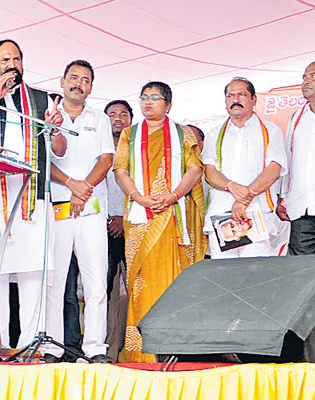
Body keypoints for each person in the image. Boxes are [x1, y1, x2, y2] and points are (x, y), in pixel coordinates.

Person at [0, 39, 66, 349]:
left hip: (33, 197)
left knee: (34, 272)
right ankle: (0, 344)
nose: (12, 64)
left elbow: (59, 150)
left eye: (17, 58)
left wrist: (55, 129)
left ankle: (32, 344)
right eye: (5, 59)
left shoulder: (42, 99)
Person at [114, 81, 206, 363]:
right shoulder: (129, 134)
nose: (148, 102)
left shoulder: (184, 134)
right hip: (140, 216)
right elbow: (121, 169)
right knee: (141, 280)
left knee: (174, 279)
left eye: (155, 98)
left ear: (168, 104)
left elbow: (195, 168)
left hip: (174, 214)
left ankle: (176, 347)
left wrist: (175, 194)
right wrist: (138, 197)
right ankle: (140, 352)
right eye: (144, 97)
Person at [46, 60, 114, 363]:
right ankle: (52, 346)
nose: (78, 84)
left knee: (96, 281)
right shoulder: (48, 118)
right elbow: (44, 162)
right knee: (55, 281)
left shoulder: (99, 119)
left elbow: (106, 159)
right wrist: (72, 184)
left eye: (85, 80)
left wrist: (84, 187)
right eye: (73, 78)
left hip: (92, 207)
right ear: (62, 81)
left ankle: (96, 348)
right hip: (58, 207)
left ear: (91, 87)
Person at [203, 77, 287, 259]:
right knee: (223, 276)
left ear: (254, 99)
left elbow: (273, 170)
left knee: (257, 275)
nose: (236, 100)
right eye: (230, 96)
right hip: (222, 216)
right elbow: (210, 172)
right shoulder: (213, 134)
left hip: (258, 214)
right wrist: (232, 187)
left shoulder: (271, 130)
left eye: (242, 94)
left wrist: (242, 201)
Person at [104, 99, 133, 360]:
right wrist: (108, 219)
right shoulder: (98, 150)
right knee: (104, 293)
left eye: (124, 114)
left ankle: (136, 349)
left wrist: (123, 218)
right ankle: (107, 350)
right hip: (101, 229)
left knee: (136, 289)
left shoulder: (139, 151)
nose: (118, 118)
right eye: (112, 114)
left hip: (133, 226)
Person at [277, 62, 315, 255]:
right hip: (302, 210)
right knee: (302, 274)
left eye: (313, 76)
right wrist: (282, 197)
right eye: (304, 77)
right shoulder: (297, 118)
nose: (306, 82)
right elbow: (287, 159)